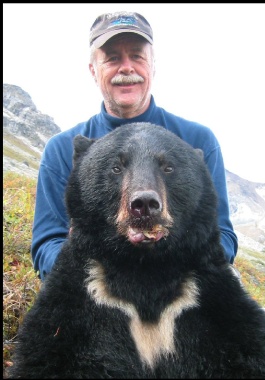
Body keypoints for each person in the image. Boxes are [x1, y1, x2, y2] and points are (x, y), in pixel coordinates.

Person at [32, 11, 238, 280]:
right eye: (113, 58)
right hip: (96, 292)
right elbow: (46, 244)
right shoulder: (61, 150)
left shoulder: (198, 141)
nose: (126, 67)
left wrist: (169, 265)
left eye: (137, 56)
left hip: (179, 286)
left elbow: (223, 236)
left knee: (232, 285)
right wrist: (89, 267)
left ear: (152, 65)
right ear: (94, 70)